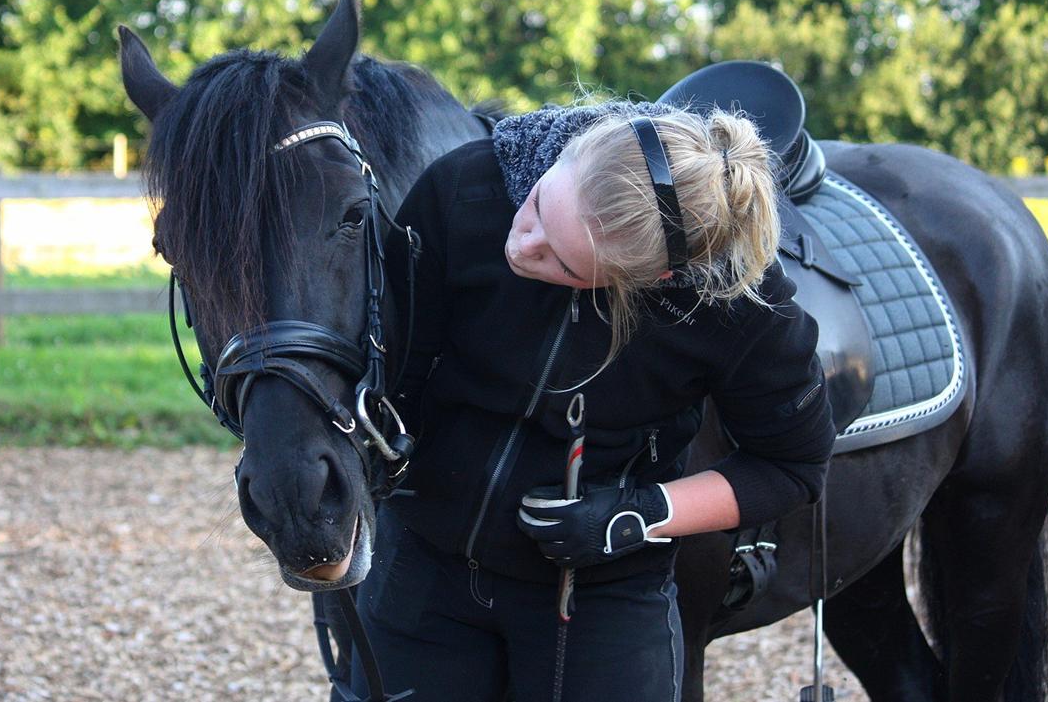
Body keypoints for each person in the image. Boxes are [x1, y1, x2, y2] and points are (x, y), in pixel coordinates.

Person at [350, 102, 835, 701]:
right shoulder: (465, 187)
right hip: (421, 567)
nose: (525, 245)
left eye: (562, 261)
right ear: (570, 151)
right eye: (535, 208)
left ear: (650, 280)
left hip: (600, 593)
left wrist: (639, 515)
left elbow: (792, 466)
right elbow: (390, 370)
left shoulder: (735, 306)